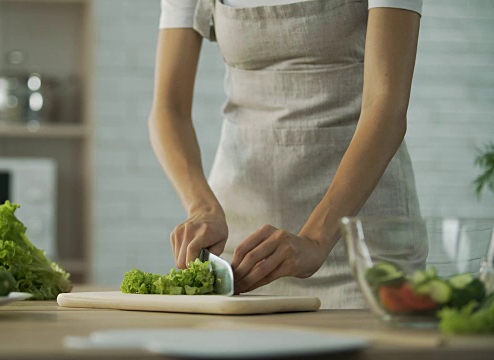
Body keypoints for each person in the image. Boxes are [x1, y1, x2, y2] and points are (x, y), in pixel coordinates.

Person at [148, 0, 423, 309]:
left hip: (360, 238)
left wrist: (316, 239)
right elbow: (168, 110)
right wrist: (202, 206)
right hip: (243, 246)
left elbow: (386, 106)